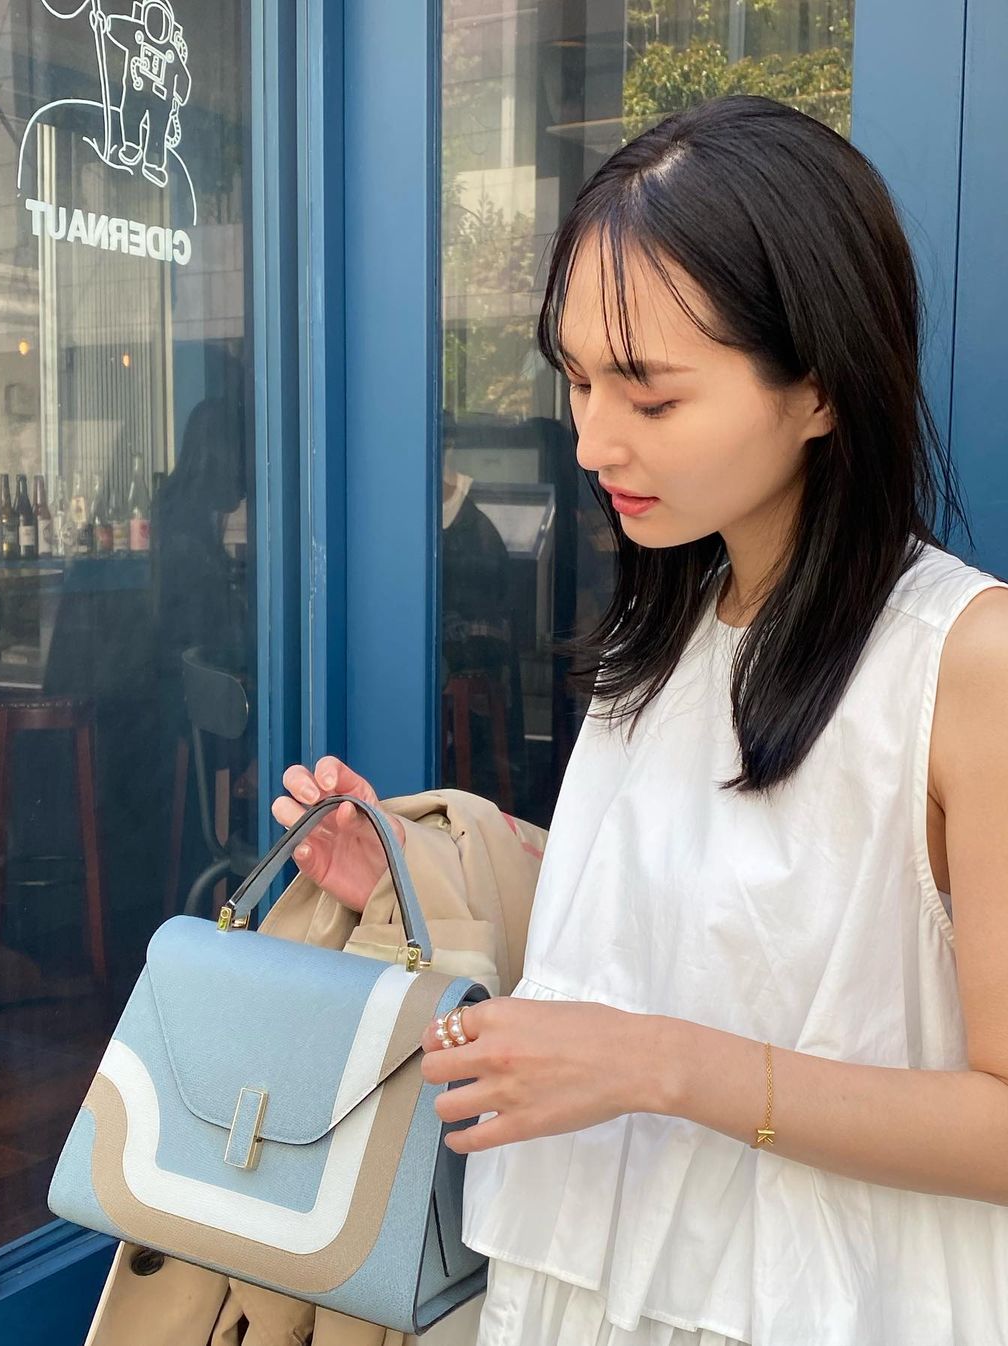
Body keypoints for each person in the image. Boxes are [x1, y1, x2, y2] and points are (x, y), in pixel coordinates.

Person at [272, 96, 1008, 1346]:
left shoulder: (965, 663)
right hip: (578, 1275)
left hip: (816, 1301)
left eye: (650, 396)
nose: (591, 438)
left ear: (821, 386)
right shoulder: (668, 626)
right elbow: (673, 912)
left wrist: (656, 1064)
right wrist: (419, 866)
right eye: (575, 380)